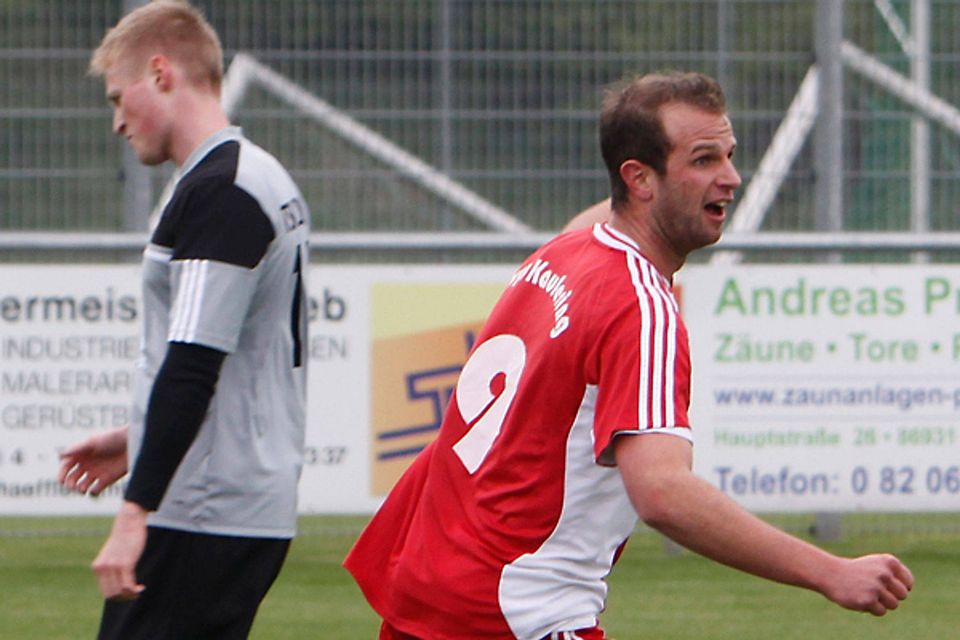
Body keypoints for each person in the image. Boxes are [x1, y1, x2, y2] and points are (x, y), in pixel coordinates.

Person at [344, 71, 913, 639]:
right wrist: (832, 571)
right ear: (638, 179)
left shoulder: (565, 252)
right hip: (515, 614)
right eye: (704, 160)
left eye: (730, 155)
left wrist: (657, 164)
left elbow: (610, 215)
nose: (732, 178)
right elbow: (663, 494)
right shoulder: (641, 309)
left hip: (430, 586)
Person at [57, 1, 310, 638]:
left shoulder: (221, 189)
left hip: (201, 509)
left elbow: (194, 363)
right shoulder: (246, 176)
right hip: (224, 503)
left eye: (120, 96)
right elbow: (228, 351)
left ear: (162, 74)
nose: (117, 121)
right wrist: (136, 436)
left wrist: (135, 510)